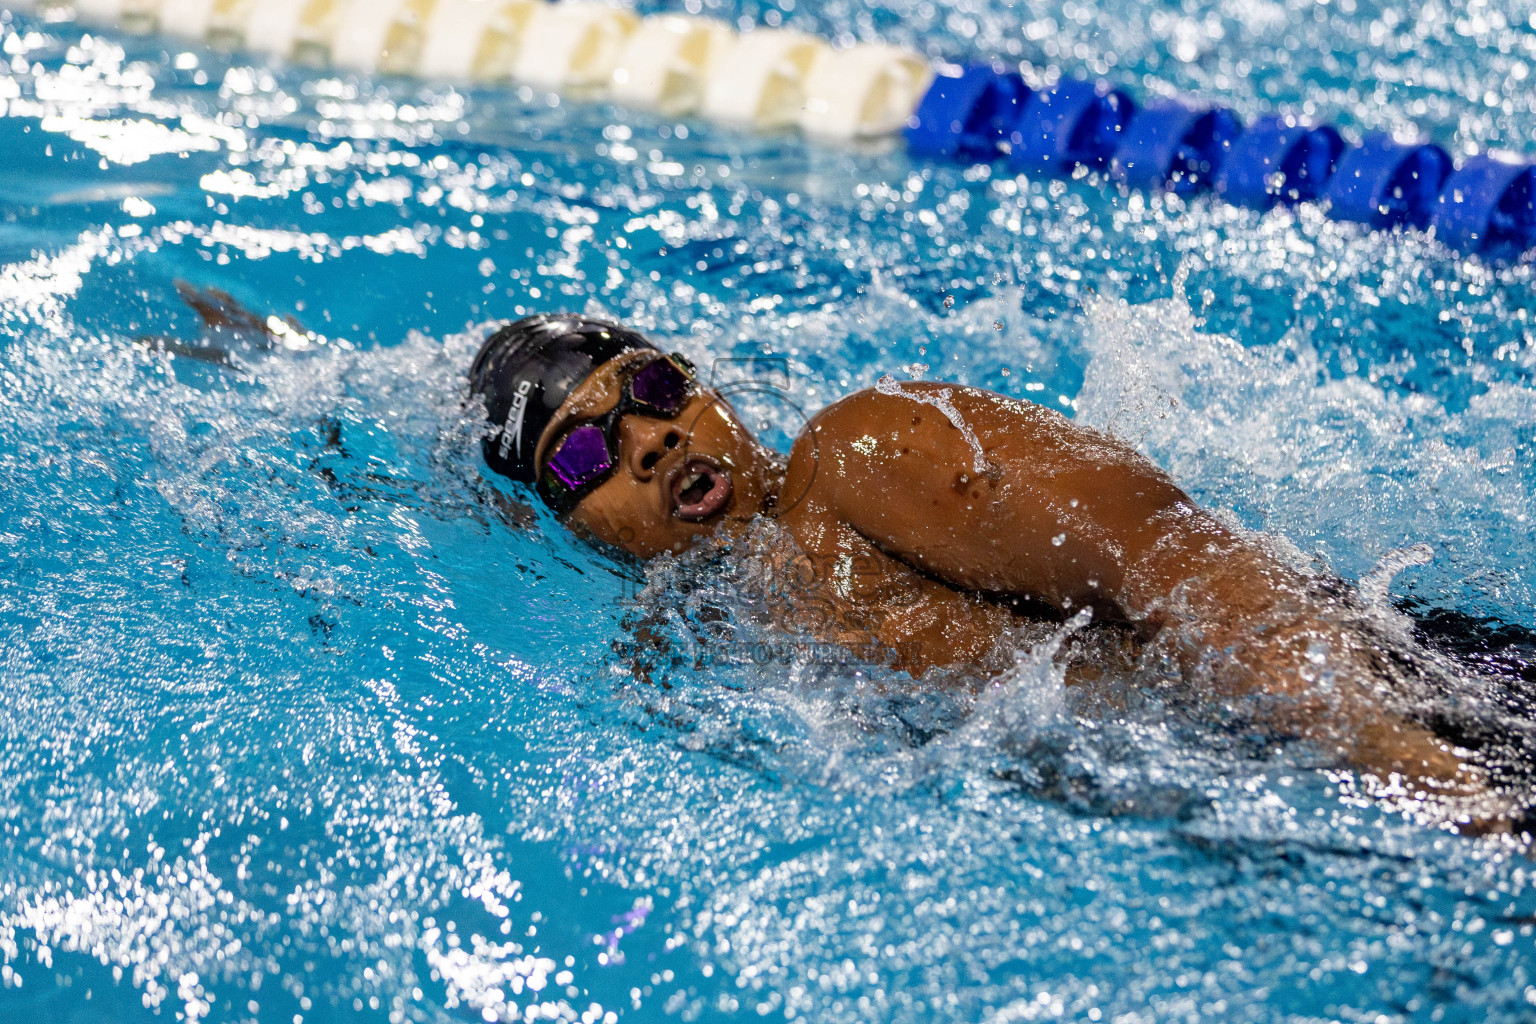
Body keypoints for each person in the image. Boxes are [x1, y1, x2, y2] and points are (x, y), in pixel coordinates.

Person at [468, 312, 1523, 832]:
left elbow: (1177, 559)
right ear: (568, 526)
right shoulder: (695, 646)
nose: (647, 439)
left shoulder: (858, 456)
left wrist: (1415, 766)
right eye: (583, 453)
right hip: (1290, 790)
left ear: (708, 390)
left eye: (654, 387)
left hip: (1426, 717)